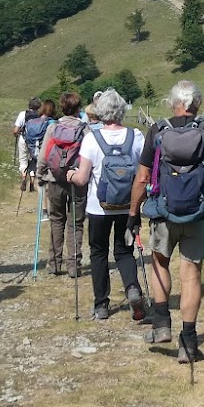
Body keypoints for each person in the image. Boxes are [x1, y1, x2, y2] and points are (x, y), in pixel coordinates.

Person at [129, 80, 204, 364]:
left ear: (173, 103)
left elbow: (143, 178)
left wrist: (133, 213)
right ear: (197, 104)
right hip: (200, 213)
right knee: (191, 274)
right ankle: (189, 343)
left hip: (164, 212)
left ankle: (161, 325)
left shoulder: (157, 130)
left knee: (160, 262)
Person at [66, 88, 147, 321]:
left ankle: (101, 304)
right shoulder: (136, 137)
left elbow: (82, 178)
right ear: (121, 110)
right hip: (127, 205)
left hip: (98, 207)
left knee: (99, 252)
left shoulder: (92, 138)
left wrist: (71, 176)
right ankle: (132, 288)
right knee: (124, 250)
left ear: (101, 112)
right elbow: (143, 173)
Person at [40, 91, 87, 277]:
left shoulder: (53, 128)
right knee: (75, 223)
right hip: (77, 180)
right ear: (78, 108)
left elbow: (44, 154)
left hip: (55, 179)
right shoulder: (85, 130)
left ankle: (54, 263)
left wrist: (41, 174)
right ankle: (73, 265)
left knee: (56, 220)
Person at [13, 98, 41, 189]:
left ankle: (24, 177)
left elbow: (15, 130)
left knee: (23, 160)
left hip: (23, 139)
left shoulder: (23, 114)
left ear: (29, 105)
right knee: (34, 160)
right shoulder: (40, 116)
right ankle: (32, 182)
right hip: (35, 141)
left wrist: (17, 134)